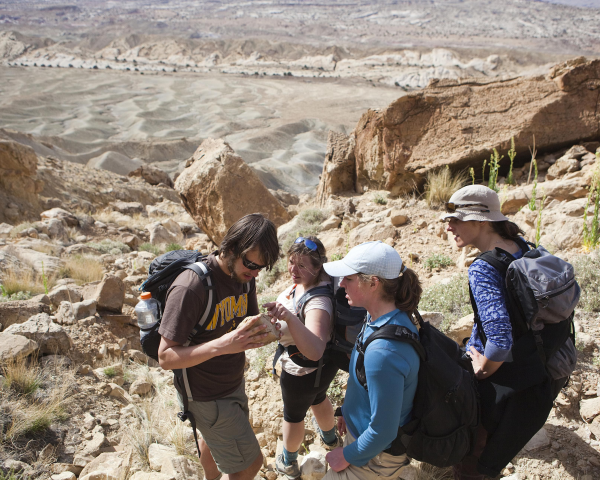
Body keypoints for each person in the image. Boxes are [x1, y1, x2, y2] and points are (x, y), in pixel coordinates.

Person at [442, 185, 570, 479]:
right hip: (537, 367)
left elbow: (499, 339)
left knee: (474, 462)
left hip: (504, 379)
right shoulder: (523, 247)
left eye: (456, 219)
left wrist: (482, 370)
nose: (448, 227)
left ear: (481, 221)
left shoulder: (483, 268)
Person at [157, 213, 280, 480]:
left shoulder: (245, 278)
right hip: (206, 394)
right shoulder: (191, 287)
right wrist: (224, 345)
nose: (255, 272)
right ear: (232, 248)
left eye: (261, 267)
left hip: (231, 383)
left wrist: (268, 329)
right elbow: (165, 357)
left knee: (212, 444)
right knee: (249, 465)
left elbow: (244, 327)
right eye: (250, 264)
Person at [320, 241, 422, 480]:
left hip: (375, 457)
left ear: (374, 283)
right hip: (364, 444)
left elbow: (383, 432)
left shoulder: (385, 350)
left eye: (349, 278)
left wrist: (346, 455)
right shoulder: (381, 316)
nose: (341, 283)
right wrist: (348, 409)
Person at [265, 236, 340, 480]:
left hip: (302, 371)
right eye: (291, 262)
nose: (293, 270)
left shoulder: (318, 301)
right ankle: (331, 441)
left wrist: (288, 318)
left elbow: (316, 347)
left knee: (293, 416)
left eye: (302, 266)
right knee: (319, 399)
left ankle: (288, 463)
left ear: (318, 267)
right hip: (320, 370)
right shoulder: (317, 281)